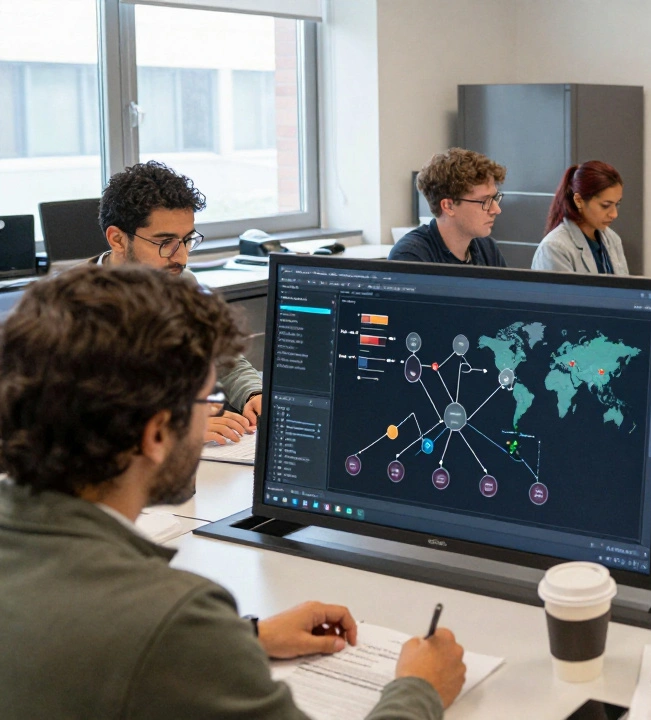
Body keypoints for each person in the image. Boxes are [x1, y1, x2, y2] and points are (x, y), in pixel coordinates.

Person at [0, 265, 466, 718]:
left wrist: (244, 637)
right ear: (157, 434)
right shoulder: (170, 618)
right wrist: (419, 689)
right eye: (209, 400)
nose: (212, 413)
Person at [95, 160, 265, 446]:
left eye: (187, 240)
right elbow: (73, 415)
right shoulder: (72, 305)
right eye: (165, 242)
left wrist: (254, 393)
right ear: (118, 239)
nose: (181, 256)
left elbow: (220, 356)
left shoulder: (182, 282)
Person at [390, 149, 508, 266]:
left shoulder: (487, 249)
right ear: (448, 206)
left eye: (494, 198)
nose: (496, 210)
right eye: (484, 201)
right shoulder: (410, 256)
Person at [531, 161, 630, 275]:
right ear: (578, 200)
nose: (614, 214)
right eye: (605, 205)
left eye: (617, 204)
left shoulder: (612, 239)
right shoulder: (555, 248)